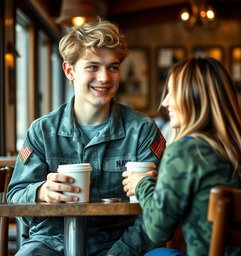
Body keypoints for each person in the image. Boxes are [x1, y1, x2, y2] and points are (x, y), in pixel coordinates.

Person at [7, 18, 166, 256]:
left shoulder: (142, 131)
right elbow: (15, 197)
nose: (105, 77)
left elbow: (160, 210)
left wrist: (119, 252)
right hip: (51, 243)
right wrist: (41, 192)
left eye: (113, 67)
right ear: (69, 71)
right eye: (93, 67)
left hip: (120, 244)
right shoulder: (41, 130)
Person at [122, 57, 241, 256]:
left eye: (171, 93)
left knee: (156, 254)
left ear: (195, 97)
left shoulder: (186, 151)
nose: (165, 102)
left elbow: (157, 231)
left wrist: (142, 184)